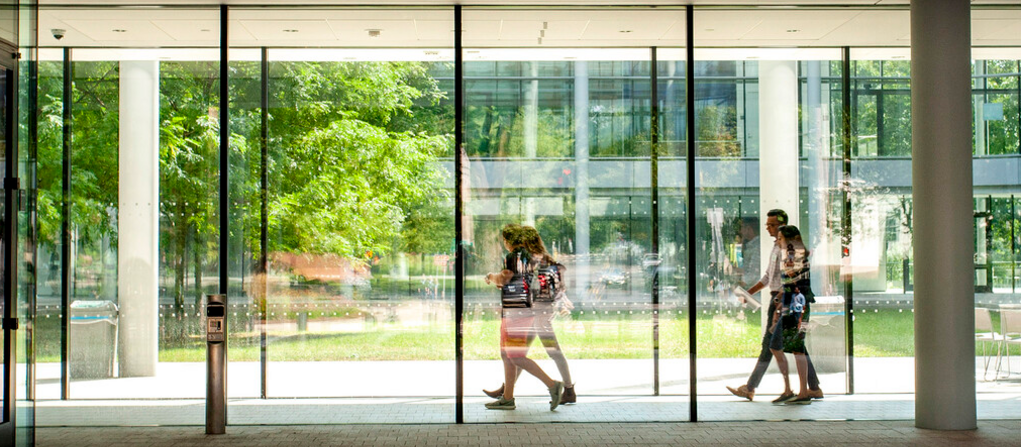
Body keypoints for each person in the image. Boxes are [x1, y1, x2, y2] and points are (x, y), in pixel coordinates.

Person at [725, 209, 823, 402]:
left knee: (774, 345)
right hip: (780, 301)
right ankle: (811, 387)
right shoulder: (777, 248)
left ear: (782, 226)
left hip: (786, 303)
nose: (768, 229)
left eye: (772, 225)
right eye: (767, 225)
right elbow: (768, 277)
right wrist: (749, 293)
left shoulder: (791, 252)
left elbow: (793, 283)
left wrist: (779, 305)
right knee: (789, 345)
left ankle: (754, 387)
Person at [484, 225, 576, 404]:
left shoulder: (531, 260)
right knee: (519, 353)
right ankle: (507, 391)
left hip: (537, 315)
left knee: (541, 351)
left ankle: (568, 389)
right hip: (538, 314)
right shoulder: (541, 259)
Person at [768, 225, 814, 405]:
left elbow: (794, 284)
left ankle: (801, 391)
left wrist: (781, 305)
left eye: (781, 238)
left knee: (795, 347)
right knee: (780, 345)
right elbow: (791, 283)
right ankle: (792, 389)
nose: (778, 241)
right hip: (792, 306)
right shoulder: (793, 257)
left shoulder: (795, 257)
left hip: (797, 308)